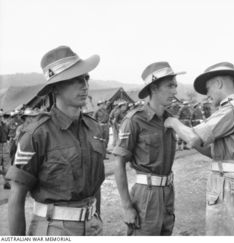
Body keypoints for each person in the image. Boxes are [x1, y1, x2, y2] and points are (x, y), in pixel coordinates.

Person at [6, 46, 106, 236]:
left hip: (92, 226)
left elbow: (95, 184)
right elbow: (16, 198)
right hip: (54, 229)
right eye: (75, 79)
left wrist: (96, 215)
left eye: (86, 78)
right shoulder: (36, 134)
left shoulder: (94, 128)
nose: (84, 85)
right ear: (56, 87)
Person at [164, 62, 234, 236]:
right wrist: (192, 137)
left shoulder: (232, 108)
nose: (207, 95)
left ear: (219, 84)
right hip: (232, 179)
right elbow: (212, 151)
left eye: (208, 89)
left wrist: (173, 122)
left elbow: (193, 137)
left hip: (228, 184)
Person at [113, 61, 185, 235]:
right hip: (146, 194)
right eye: (170, 86)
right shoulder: (134, 120)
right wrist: (127, 206)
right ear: (153, 88)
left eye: (175, 86)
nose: (175, 91)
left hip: (168, 190)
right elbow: (119, 163)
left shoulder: (170, 119)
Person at [0, 110, 10, 189]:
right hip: (2, 145)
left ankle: (7, 183)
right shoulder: (5, 125)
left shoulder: (6, 125)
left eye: (1, 116)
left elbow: (8, 135)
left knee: (6, 166)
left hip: (5, 145)